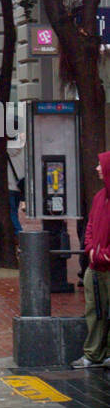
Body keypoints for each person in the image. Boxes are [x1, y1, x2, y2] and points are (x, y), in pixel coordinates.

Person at [71, 152, 110, 369]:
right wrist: (90, 249)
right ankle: (94, 353)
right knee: (94, 310)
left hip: (104, 264)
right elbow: (90, 227)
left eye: (100, 165)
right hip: (95, 266)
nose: (96, 168)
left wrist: (101, 254)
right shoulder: (98, 198)